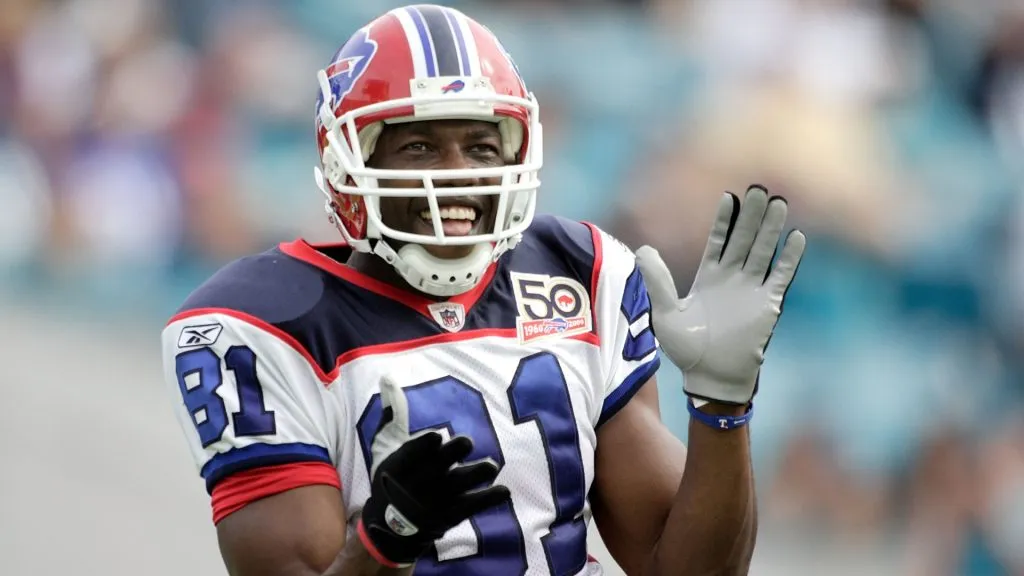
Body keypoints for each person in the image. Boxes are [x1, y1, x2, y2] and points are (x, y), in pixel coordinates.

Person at [160, 4, 806, 576]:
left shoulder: (578, 271)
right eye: (418, 147)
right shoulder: (261, 324)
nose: (457, 178)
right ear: (344, 163)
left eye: (480, 146)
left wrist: (722, 406)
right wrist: (387, 541)